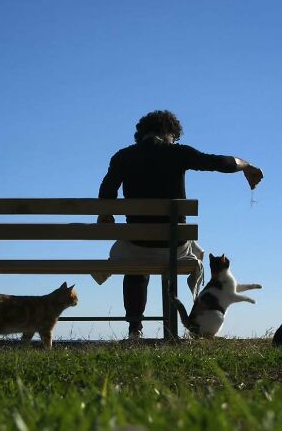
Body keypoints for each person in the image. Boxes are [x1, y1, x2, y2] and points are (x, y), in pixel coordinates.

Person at [96, 110, 263, 339]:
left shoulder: (122, 157)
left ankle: (135, 328)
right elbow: (218, 163)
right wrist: (246, 165)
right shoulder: (178, 153)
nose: (174, 141)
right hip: (174, 248)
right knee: (180, 247)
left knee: (134, 260)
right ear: (168, 132)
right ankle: (171, 327)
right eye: (174, 137)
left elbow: (106, 193)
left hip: (137, 245)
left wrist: (105, 215)